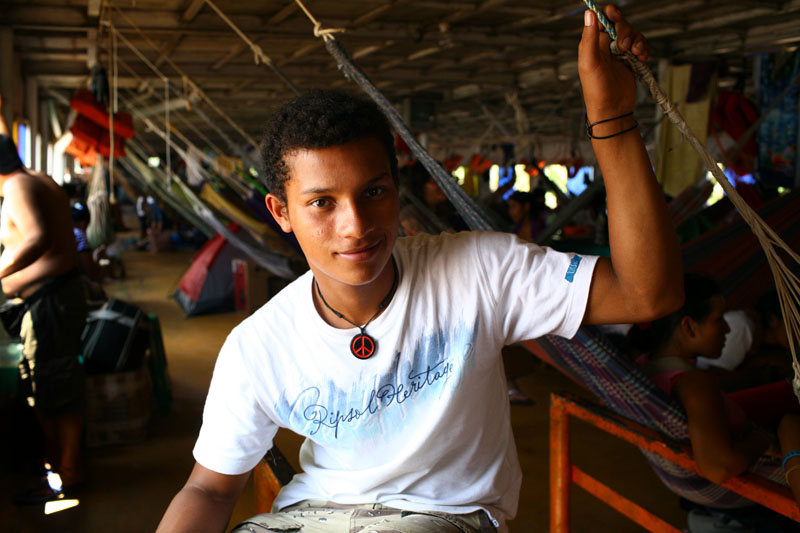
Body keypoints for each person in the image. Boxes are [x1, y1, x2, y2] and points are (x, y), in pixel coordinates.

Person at [158, 7, 682, 532]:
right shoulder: (259, 346)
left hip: (444, 517)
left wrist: (611, 116)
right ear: (281, 213)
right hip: (310, 516)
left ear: (396, 190)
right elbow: (208, 486)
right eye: (322, 203)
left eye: (374, 192)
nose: (355, 225)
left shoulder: (478, 272)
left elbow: (646, 295)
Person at [0, 93, 89, 502]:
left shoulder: (16, 187)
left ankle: (67, 475)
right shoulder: (36, 178)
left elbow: (35, 237)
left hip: (50, 301)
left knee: (54, 388)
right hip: (59, 296)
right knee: (57, 384)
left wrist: (1, 273)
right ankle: (62, 467)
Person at [634, 274, 800, 490]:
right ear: (689, 327)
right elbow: (720, 467)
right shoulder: (694, 384)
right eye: (718, 319)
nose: (727, 329)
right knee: (790, 424)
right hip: (744, 482)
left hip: (678, 477)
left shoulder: (647, 365)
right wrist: (764, 440)